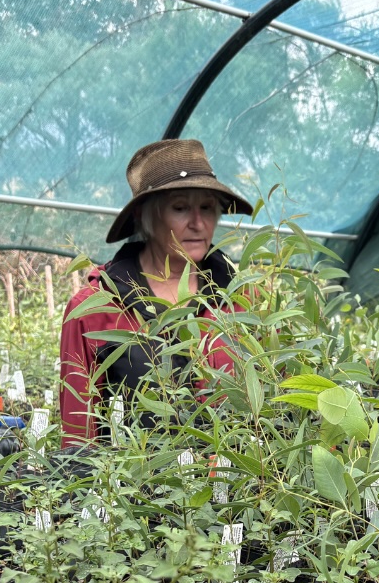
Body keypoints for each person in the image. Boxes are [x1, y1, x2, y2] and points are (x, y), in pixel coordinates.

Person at [59, 138, 253, 447]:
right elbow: (79, 438)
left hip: (233, 489)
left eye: (207, 207)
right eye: (180, 208)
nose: (198, 223)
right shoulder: (95, 310)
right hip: (136, 492)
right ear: (145, 216)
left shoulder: (241, 298)